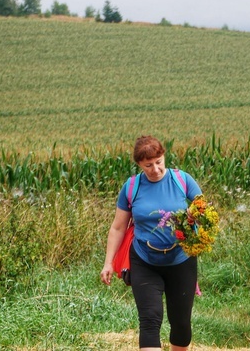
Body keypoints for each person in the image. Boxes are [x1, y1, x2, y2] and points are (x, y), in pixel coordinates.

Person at [100, 136, 202, 351]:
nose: (155, 169)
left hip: (181, 259)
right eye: (148, 165)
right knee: (149, 320)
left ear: (164, 157)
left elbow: (206, 213)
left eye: (158, 162)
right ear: (139, 164)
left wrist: (196, 218)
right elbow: (118, 227)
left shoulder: (182, 180)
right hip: (144, 261)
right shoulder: (131, 187)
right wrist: (108, 263)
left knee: (181, 324)